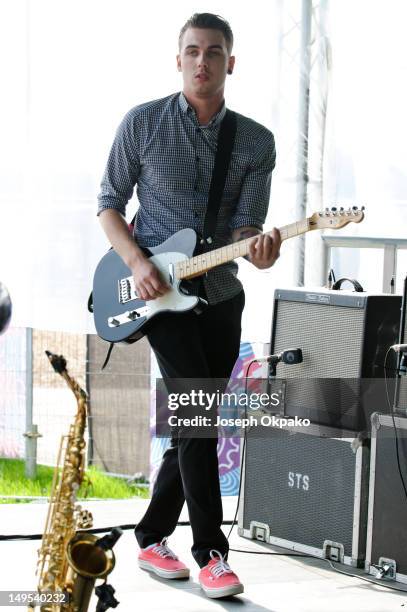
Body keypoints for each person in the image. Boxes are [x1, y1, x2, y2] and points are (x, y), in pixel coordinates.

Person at [97, 12, 281, 599]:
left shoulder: (255, 141)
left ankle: (151, 536)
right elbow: (107, 203)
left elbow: (249, 232)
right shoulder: (144, 123)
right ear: (178, 59)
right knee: (198, 412)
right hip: (158, 294)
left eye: (215, 52)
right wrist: (137, 262)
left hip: (221, 293)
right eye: (193, 51)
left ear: (232, 62)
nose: (203, 61)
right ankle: (211, 554)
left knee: (195, 419)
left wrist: (264, 250)